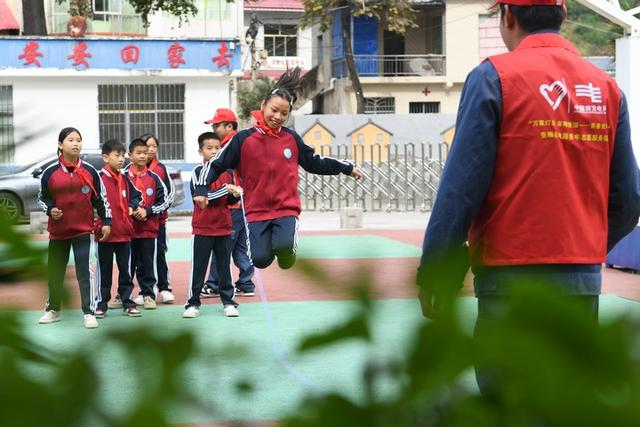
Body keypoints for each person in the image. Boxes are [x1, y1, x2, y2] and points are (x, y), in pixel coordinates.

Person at [416, 0, 640, 394]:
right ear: (564, 15)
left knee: (508, 403)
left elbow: (461, 187)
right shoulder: (606, 89)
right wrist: (584, 246)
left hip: (508, 279)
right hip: (580, 282)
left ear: (508, 16)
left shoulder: (493, 77)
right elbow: (630, 197)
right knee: (568, 402)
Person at [193, 68, 363, 270]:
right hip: (256, 211)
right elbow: (216, 164)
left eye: (284, 113)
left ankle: (288, 252)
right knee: (260, 260)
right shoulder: (243, 139)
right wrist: (202, 189)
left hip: (286, 208)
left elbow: (314, 162)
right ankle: (269, 253)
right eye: (274, 110)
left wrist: (345, 167)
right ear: (263, 106)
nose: (278, 116)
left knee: (283, 247)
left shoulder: (291, 138)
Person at [37, 127, 112, 329]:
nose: (76, 143)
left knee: (85, 273)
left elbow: (101, 199)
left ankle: (89, 312)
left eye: (78, 140)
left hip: (83, 231)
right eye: (71, 140)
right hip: (58, 232)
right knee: (55, 272)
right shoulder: (49, 173)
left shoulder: (90, 171)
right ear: (60, 144)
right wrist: (50, 209)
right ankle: (53, 309)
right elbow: (42, 198)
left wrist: (106, 221)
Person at [184, 132, 241, 318]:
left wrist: (235, 194)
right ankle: (193, 303)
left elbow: (229, 200)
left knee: (224, 267)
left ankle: (229, 302)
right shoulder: (197, 172)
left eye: (218, 148)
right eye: (209, 148)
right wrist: (226, 190)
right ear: (200, 151)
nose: (215, 151)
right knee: (199, 267)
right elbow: (202, 197)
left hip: (224, 227)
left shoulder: (227, 173)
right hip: (203, 228)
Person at [201, 108, 255, 298]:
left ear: (229, 127)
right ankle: (246, 283)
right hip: (242, 205)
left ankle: (213, 284)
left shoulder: (230, 147)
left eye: (216, 126)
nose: (214, 129)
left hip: (232, 205)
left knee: (221, 247)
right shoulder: (238, 143)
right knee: (239, 248)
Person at [94, 139, 143, 318]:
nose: (122, 159)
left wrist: (132, 205)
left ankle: (127, 301)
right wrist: (97, 224)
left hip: (124, 233)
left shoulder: (125, 179)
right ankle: (101, 303)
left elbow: (137, 196)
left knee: (126, 270)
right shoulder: (98, 179)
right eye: (117, 155)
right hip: (105, 234)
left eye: (123, 155)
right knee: (104, 270)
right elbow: (91, 203)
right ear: (105, 157)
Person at [126, 138, 169, 310]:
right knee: (127, 265)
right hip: (128, 231)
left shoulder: (154, 178)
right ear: (130, 155)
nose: (143, 156)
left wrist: (148, 211)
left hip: (148, 230)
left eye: (145, 153)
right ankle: (124, 296)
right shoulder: (122, 177)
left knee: (148, 264)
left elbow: (165, 201)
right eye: (139, 153)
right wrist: (132, 210)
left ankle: (149, 295)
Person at [140, 133, 176, 304]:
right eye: (148, 146)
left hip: (158, 222)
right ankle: (145, 290)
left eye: (154, 146)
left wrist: (152, 211)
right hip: (138, 223)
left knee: (160, 253)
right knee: (141, 258)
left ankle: (165, 288)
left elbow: (169, 196)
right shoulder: (131, 169)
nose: (151, 150)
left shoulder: (161, 169)